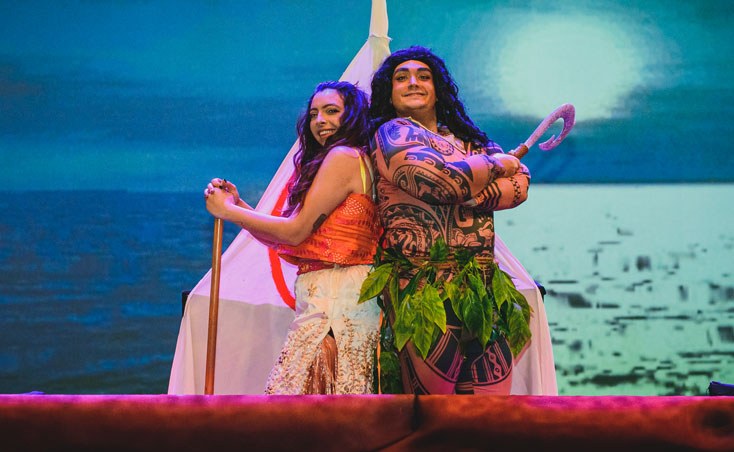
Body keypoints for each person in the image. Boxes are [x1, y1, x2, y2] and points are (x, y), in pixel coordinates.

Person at [365, 46, 532, 395]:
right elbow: (433, 181)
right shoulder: (391, 134)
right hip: (422, 286)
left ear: (438, 89)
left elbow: (519, 185)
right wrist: (495, 167)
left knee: (491, 408)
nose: (413, 82)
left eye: (424, 76)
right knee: (435, 411)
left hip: (483, 286)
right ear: (389, 94)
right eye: (401, 77)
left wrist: (469, 191)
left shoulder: (472, 141)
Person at [204, 81, 381, 394]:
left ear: (352, 115)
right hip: (336, 299)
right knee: (331, 401)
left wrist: (228, 212)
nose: (320, 120)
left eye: (331, 111)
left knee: (301, 403)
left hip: (333, 305)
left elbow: (294, 232)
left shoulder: (343, 156)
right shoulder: (355, 158)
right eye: (314, 114)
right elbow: (287, 238)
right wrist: (239, 206)